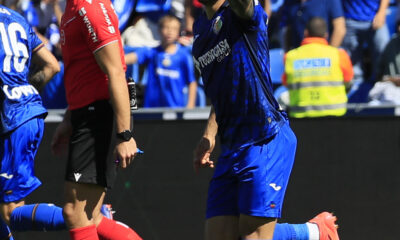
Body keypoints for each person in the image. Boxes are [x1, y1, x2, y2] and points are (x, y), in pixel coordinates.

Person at [191, 0, 339, 240]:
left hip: (264, 138)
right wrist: (209, 134)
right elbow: (224, 86)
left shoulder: (241, 13)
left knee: (254, 236)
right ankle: (314, 231)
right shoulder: (200, 28)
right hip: (232, 147)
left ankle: (313, 233)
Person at [51, 0, 142, 239]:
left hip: (97, 117)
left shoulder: (90, 7)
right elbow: (83, 71)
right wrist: (69, 118)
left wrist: (125, 135)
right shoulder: (72, 8)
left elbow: (115, 71)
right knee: (92, 216)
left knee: (76, 213)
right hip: (85, 115)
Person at [0, 4, 62, 239]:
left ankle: (85, 218)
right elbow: (53, 65)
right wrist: (20, 91)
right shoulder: (17, 18)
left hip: (12, 121)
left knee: (10, 212)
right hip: (25, 110)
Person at [283, 17, 354, 118]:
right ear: (326, 34)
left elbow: (286, 82)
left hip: (301, 118)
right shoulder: (339, 55)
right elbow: (348, 80)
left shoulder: (290, 57)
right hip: (335, 118)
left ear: (306, 33)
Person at [125, 14, 197, 108]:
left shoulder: (183, 56)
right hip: (152, 109)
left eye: (174, 29)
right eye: (166, 27)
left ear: (178, 32)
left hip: (175, 108)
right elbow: (128, 58)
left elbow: (191, 82)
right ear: (159, 30)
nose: (170, 32)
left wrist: (190, 106)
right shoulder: (152, 52)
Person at [341, 0, 390, 102]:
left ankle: (379, 88)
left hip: (374, 17)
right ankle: (354, 94)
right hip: (350, 19)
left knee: (383, 51)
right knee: (352, 63)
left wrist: (381, 12)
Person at [280, 0, 346, 52]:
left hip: (322, 57)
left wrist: (330, 54)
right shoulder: (290, 2)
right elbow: (288, 30)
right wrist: (287, 53)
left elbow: (339, 29)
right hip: (298, 59)